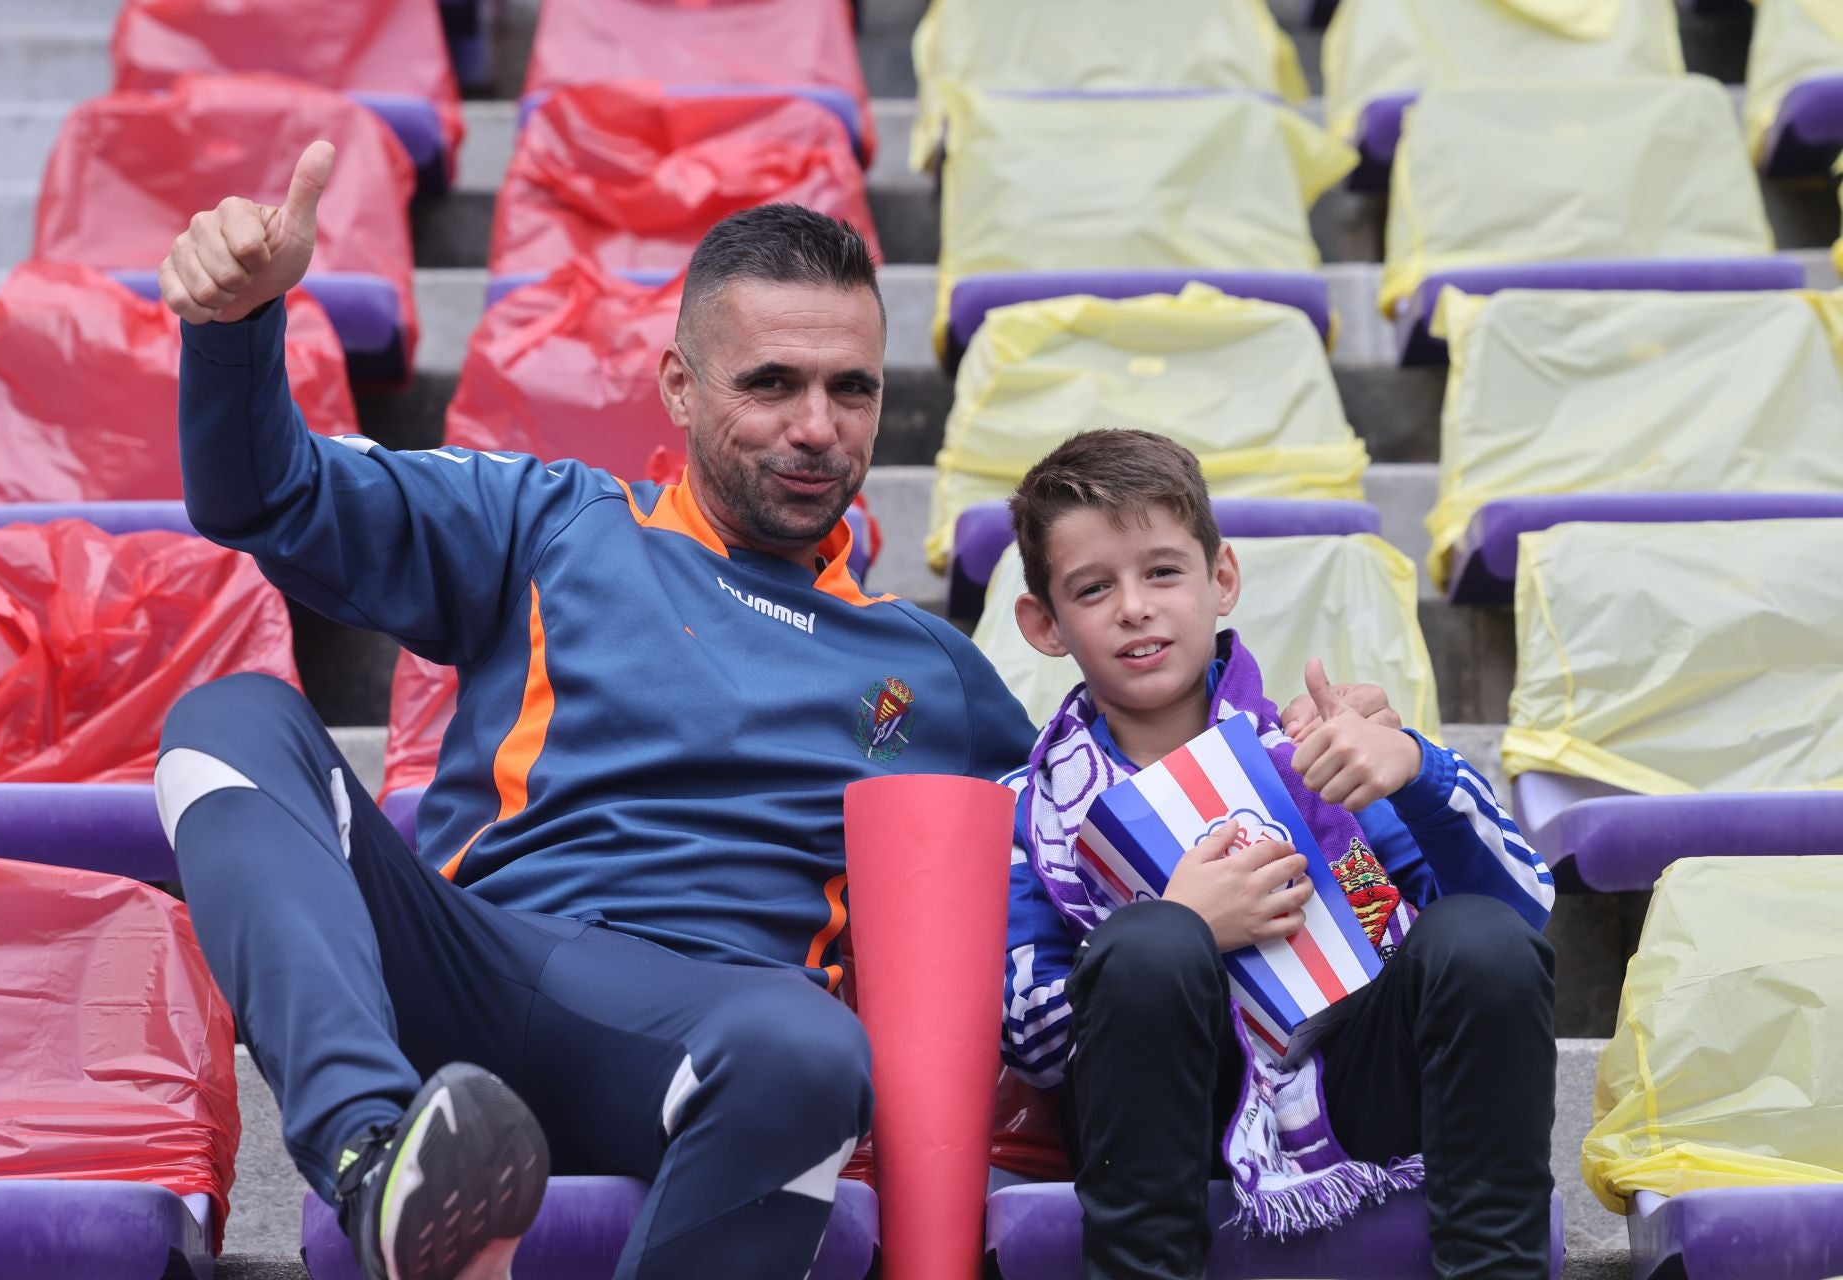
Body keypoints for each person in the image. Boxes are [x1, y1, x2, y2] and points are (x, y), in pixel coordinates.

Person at [152, 141, 1036, 1280]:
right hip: (467, 982)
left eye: (850, 387)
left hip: (714, 1039)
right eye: (771, 381)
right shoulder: (548, 519)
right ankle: (380, 1163)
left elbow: (1094, 820)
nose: (817, 424)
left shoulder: (934, 673)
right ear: (678, 386)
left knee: (810, 1050)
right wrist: (233, 333)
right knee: (229, 720)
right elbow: (263, 493)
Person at [997, 429, 1560, 1279]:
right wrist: (1185, 923)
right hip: (1160, 1121)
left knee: (1475, 939)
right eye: (1092, 587)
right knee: (1152, 946)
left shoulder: (1315, 753)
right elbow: (1032, 1043)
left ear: (1221, 579)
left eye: (1162, 571)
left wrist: (1414, 767)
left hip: (1360, 1081)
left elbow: (1522, 918)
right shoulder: (1028, 807)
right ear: (1045, 623)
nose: (1135, 607)